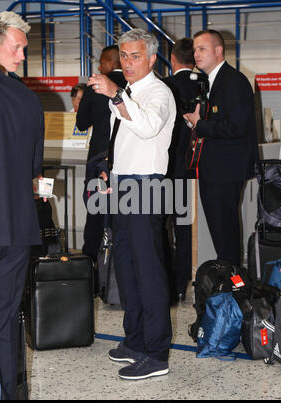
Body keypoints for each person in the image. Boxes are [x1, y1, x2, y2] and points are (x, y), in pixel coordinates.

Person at [89, 28, 176, 380]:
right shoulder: (127, 92)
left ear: (152, 59)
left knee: (149, 270)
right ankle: (136, 340)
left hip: (147, 186)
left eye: (135, 55)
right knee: (125, 266)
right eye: (123, 55)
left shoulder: (159, 92)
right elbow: (124, 140)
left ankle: (156, 354)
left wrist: (116, 97)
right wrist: (112, 172)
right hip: (124, 184)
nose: (127, 62)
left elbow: (148, 128)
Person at [0, 25, 44, 400]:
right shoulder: (28, 100)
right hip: (18, 227)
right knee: (5, 317)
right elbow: (34, 172)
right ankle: (10, 392)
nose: (23, 56)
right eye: (18, 47)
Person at [184, 30, 259, 266]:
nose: (196, 54)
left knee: (225, 232)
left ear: (218, 51)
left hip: (226, 170)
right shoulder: (211, 82)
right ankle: (227, 278)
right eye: (195, 49)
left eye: (202, 49)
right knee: (220, 231)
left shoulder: (233, 81)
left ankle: (233, 284)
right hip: (214, 169)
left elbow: (236, 127)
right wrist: (195, 122)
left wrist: (201, 125)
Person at [76, 45, 126, 261]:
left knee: (95, 213)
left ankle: (91, 267)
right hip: (125, 159)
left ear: (112, 62)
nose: (99, 66)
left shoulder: (95, 86)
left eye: (102, 61)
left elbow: (81, 123)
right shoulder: (133, 84)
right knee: (124, 214)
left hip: (98, 158)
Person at [163, 38, 198, 303]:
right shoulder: (202, 85)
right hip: (189, 168)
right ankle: (182, 282)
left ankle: (165, 281)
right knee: (183, 228)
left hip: (164, 168)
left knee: (160, 227)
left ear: (172, 59)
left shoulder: (165, 86)